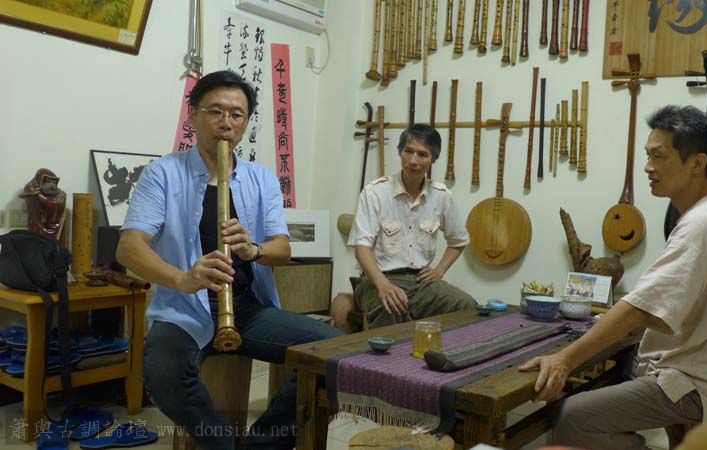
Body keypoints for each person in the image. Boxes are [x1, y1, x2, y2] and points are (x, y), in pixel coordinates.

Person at [117, 70, 341, 450]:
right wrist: (183, 278)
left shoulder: (261, 179)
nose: (226, 123)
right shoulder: (163, 173)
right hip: (183, 309)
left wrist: (253, 250)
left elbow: (282, 249)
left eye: (237, 114)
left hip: (247, 308)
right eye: (216, 111)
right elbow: (128, 247)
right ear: (193, 115)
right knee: (162, 369)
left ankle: (261, 445)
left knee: (338, 354)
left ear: (246, 122)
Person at [518, 105, 707, 450]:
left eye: (658, 156)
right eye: (648, 155)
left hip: (697, 382)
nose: (648, 166)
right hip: (701, 373)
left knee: (574, 416)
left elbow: (638, 309)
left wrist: (564, 360)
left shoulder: (705, 222)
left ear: (697, 163)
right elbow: (664, 306)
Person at [345, 124, 476, 329]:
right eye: (408, 151)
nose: (413, 160)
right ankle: (393, 353)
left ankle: (442, 351)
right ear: (400, 152)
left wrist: (439, 271)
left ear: (433, 159)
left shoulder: (441, 196)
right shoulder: (375, 192)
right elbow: (361, 248)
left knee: (467, 306)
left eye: (423, 154)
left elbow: (459, 240)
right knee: (391, 307)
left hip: (421, 282)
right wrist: (383, 285)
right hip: (378, 279)